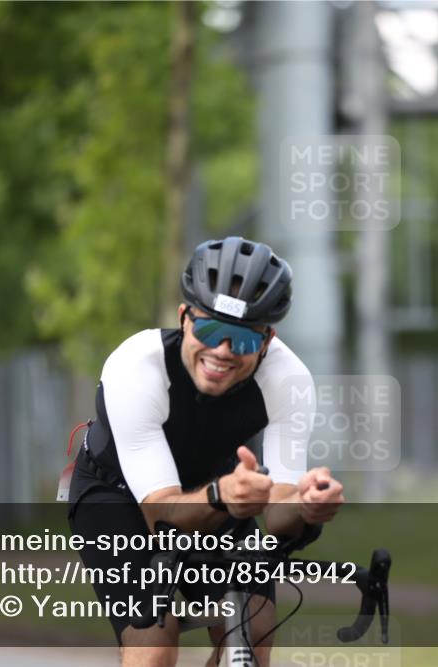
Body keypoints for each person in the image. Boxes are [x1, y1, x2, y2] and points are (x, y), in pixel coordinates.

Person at [66, 236, 345, 667]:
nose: (222, 352)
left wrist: (305, 506)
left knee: (254, 629)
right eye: (210, 330)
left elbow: (278, 515)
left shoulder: (287, 380)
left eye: (244, 340)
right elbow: (161, 516)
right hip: (118, 496)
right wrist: (221, 495)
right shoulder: (137, 367)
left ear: (267, 341)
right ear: (184, 318)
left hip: (218, 494)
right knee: (154, 644)